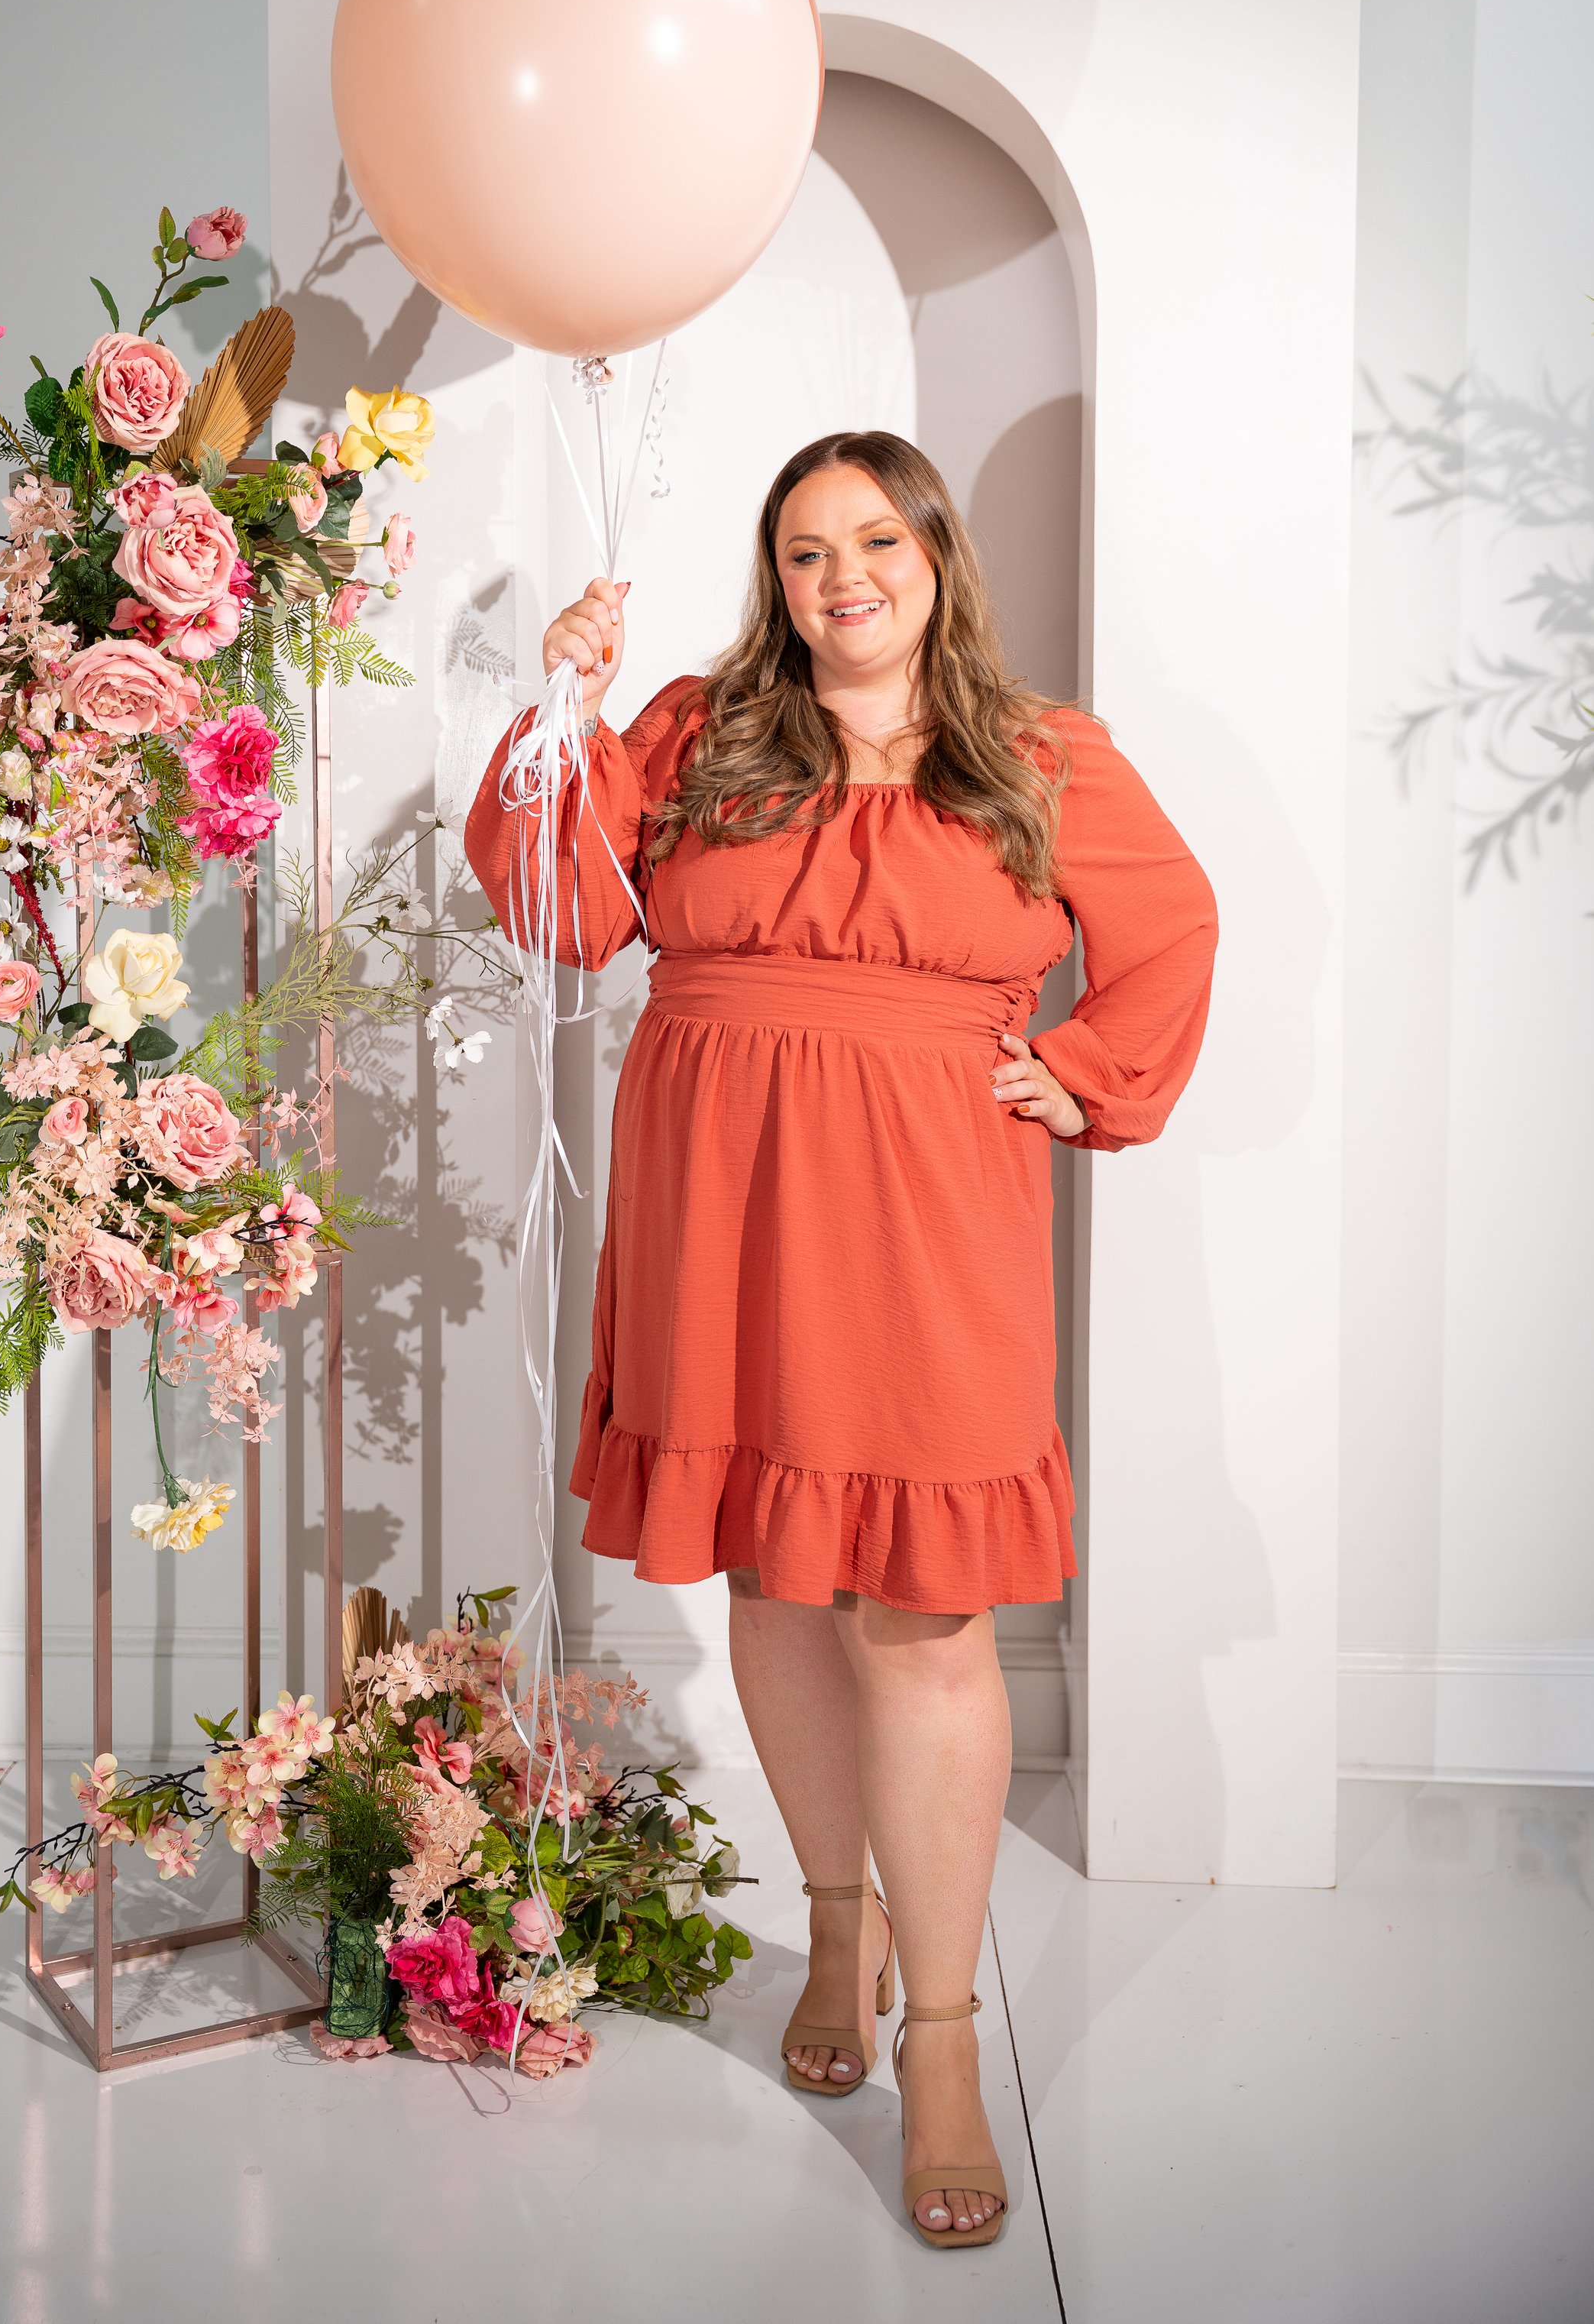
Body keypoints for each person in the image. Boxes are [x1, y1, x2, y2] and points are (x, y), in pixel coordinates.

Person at [465, 431, 1216, 2248]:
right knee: (778, 1577)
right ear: (775, 579)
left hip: (923, 1206)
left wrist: (1087, 1074)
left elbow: (1174, 924)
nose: (841, 579)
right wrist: (560, 716)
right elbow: (563, 911)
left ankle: (941, 2039)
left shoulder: (1035, 755)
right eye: (805, 552)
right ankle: (835, 1928)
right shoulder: (697, 733)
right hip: (716, 1189)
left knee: (923, 1610)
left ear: (934, 557)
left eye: (875, 541)